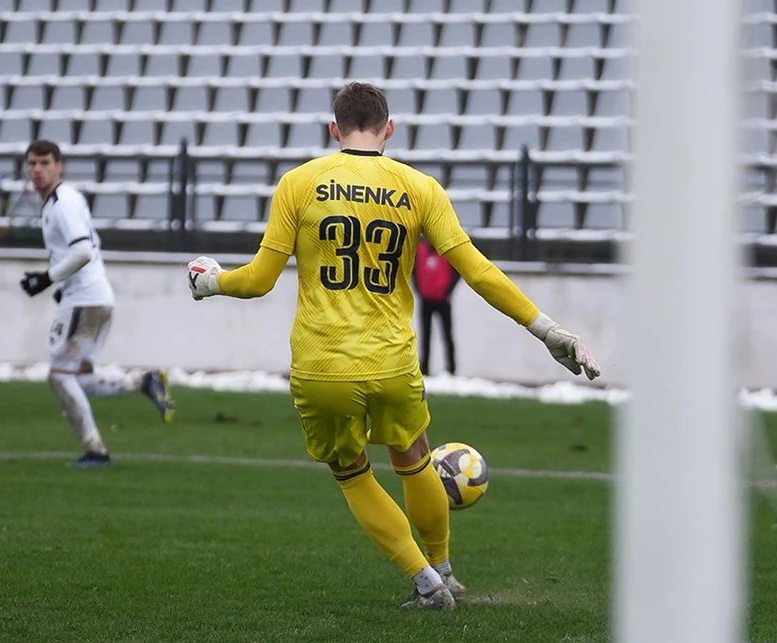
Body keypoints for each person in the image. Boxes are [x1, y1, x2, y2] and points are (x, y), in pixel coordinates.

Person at [185, 83, 600, 609]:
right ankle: (443, 570)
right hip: (391, 360)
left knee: (351, 472)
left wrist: (212, 281)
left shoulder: (299, 183)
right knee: (415, 456)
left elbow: (261, 280)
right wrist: (546, 329)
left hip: (321, 363)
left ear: (333, 129)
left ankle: (425, 583)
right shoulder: (419, 187)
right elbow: (476, 270)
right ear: (390, 128)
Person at [18, 139, 175, 467]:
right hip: (93, 296)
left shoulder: (62, 203)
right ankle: (142, 382)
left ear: (59, 166)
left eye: (44, 163)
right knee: (78, 376)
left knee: (59, 376)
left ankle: (95, 450)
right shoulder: (61, 202)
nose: (37, 170)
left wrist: (48, 279)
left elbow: (84, 250)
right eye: (32, 163)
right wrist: (64, 285)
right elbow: (91, 247)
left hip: (86, 300)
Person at [413, 237, 459, 375]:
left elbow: (457, 271)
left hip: (442, 299)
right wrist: (419, 289)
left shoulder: (446, 249)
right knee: (425, 336)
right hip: (425, 299)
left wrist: (448, 290)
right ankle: (425, 370)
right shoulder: (419, 248)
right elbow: (413, 269)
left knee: (447, 335)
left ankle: (451, 370)